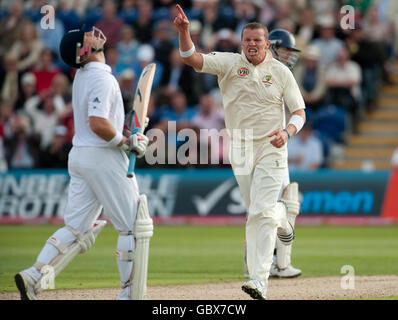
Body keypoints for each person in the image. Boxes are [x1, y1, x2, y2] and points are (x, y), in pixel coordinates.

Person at [173, 5, 305, 300]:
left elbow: (299, 112)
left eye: (258, 40)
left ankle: (259, 281)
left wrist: (287, 132)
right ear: (241, 43)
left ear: (267, 44)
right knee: (258, 210)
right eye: (247, 40)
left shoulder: (281, 72)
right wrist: (184, 31)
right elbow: (190, 58)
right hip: (241, 148)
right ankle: (284, 214)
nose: (252, 45)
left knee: (259, 213)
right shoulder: (229, 63)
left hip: (272, 147)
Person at [14, 26, 151, 300]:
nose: (94, 33)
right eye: (87, 36)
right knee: (133, 225)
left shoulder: (84, 76)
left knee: (75, 228)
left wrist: (128, 135)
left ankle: (33, 276)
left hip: (81, 155)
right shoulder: (100, 78)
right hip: (102, 156)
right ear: (83, 51)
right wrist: (126, 144)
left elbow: (101, 123)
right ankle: (129, 293)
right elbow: (98, 124)